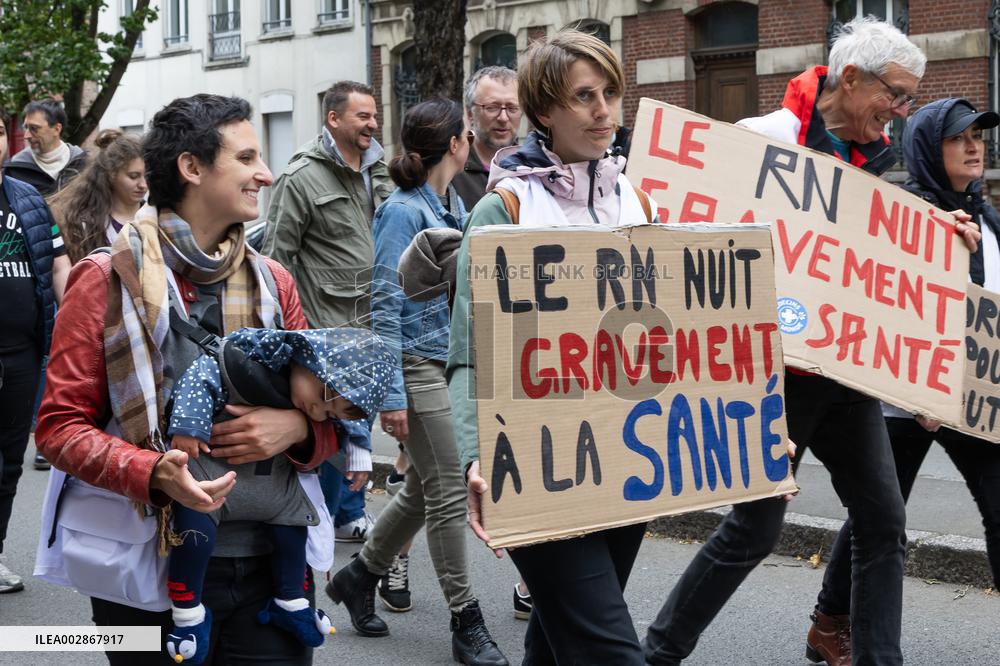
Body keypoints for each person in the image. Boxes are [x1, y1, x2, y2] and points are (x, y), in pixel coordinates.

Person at [641, 18, 980, 666]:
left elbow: (884, 254)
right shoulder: (762, 141)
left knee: (884, 523)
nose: (902, 111)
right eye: (897, 94)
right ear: (850, 79)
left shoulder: (885, 163)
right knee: (754, 530)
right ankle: (657, 653)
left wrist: (939, 233)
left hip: (847, 379)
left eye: (909, 99)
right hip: (776, 381)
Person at [34, 94, 353, 665]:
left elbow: (329, 421)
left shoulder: (275, 283)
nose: (266, 173)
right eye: (248, 156)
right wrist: (153, 471)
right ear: (192, 167)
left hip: (271, 569)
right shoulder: (105, 278)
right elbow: (58, 428)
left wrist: (298, 432)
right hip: (146, 569)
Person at [450, 29, 655, 664]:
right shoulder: (504, 210)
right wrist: (474, 456)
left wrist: (750, 425)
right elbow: (468, 353)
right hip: (535, 465)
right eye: (584, 96)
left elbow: (679, 339)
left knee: (562, 636)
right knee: (609, 648)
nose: (603, 111)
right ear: (544, 111)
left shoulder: (638, 200)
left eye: (612, 93)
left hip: (626, 455)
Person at [803, 97, 1000, 666]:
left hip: (971, 398)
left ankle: (828, 622)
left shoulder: (986, 218)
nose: (973, 147)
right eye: (959, 138)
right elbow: (878, 303)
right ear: (928, 148)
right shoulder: (902, 215)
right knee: (879, 519)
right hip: (900, 400)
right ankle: (829, 621)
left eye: (979, 138)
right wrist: (921, 386)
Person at [327, 98, 508, 666]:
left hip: (446, 363)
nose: (471, 138)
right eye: (466, 133)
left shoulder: (452, 202)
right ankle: (465, 620)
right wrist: (391, 395)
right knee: (452, 486)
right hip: (415, 366)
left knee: (426, 489)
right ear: (454, 144)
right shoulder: (403, 210)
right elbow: (384, 301)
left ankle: (359, 575)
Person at [163, 325, 394, 663]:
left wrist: (323, 436)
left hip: (271, 509)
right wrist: (188, 424)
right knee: (194, 532)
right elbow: (204, 374)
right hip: (205, 485)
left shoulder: (279, 288)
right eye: (318, 401)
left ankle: (291, 601)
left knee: (292, 533)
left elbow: (344, 415)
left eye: (326, 413)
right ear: (308, 360)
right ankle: (187, 616)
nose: (317, 412)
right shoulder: (247, 356)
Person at [263, 80, 394, 544]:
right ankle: (329, 515)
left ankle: (347, 512)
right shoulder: (300, 177)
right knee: (332, 424)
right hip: (326, 325)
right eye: (362, 116)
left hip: (374, 319)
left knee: (358, 415)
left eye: (374, 115)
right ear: (333, 119)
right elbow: (278, 258)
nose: (372, 124)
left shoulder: (381, 170)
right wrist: (292, 337)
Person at [0, 111, 71, 594]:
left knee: (8, 463)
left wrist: (80, 327)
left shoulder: (27, 199)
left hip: (21, 356)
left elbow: (59, 266)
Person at [48, 128, 147, 264]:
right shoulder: (82, 224)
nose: (143, 184)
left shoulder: (156, 217)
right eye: (133, 176)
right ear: (112, 174)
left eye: (147, 176)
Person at [453, 66, 520, 210]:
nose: (503, 118)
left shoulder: (536, 169)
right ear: (470, 113)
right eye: (492, 107)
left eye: (512, 108)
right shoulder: (452, 169)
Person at [2, 100, 87, 196]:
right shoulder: (15, 170)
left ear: (57, 129)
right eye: (26, 127)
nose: (26, 135)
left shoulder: (84, 163)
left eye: (34, 128)